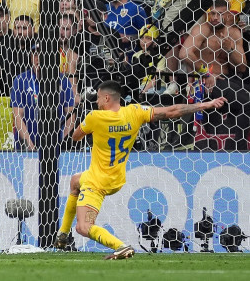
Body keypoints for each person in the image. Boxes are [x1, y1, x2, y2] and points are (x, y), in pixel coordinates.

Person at [54, 80, 227, 259]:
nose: (97, 101)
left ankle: (120, 246)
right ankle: (62, 235)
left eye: (98, 98)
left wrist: (86, 125)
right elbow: (171, 111)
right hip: (117, 179)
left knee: (83, 227)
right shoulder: (135, 112)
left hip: (97, 182)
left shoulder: (95, 117)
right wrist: (206, 104)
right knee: (75, 180)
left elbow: (75, 137)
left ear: (106, 98)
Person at [10, 49, 76, 151]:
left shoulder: (63, 81)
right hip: (26, 147)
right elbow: (18, 115)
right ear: (31, 57)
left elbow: (70, 114)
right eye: (35, 54)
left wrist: (63, 144)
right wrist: (30, 146)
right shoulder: (20, 80)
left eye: (43, 54)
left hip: (55, 146)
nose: (39, 59)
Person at [179, 0, 246, 79]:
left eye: (220, 14)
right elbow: (184, 53)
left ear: (228, 16)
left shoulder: (234, 33)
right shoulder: (202, 30)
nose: (215, 17)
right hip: (206, 78)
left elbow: (242, 68)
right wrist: (207, 74)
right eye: (213, 13)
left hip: (228, 79)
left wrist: (229, 49)